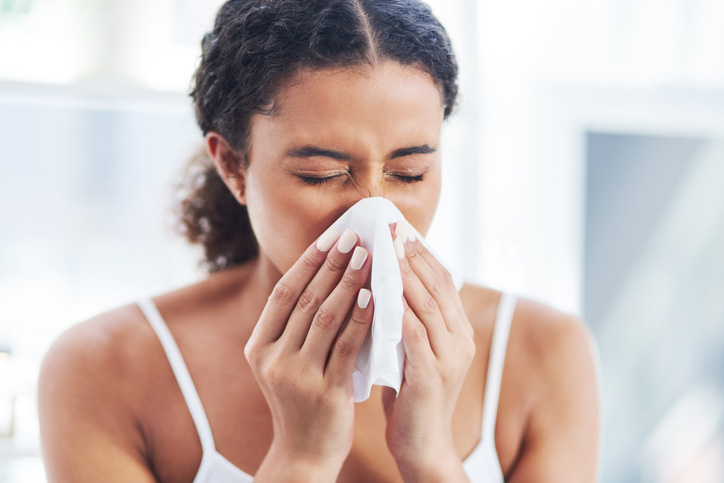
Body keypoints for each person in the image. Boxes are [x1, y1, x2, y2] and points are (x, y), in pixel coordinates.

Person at [38, 0, 600, 481]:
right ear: (234, 166)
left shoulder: (542, 353)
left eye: (409, 174)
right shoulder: (106, 368)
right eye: (322, 175)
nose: (375, 214)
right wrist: (301, 459)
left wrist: (430, 456)